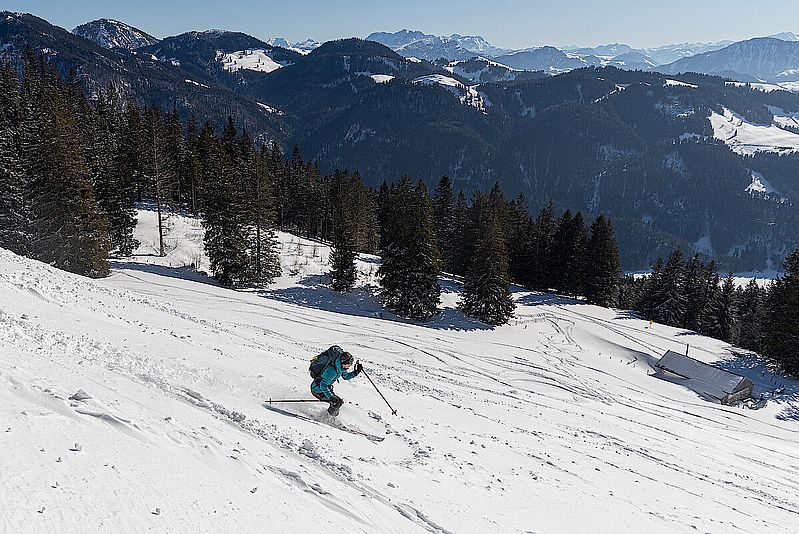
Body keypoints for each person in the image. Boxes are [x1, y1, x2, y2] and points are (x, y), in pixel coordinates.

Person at [309, 345, 363, 416]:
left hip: (325, 389)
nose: (349, 366)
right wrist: (331, 397)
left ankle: (330, 417)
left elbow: (346, 376)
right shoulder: (332, 371)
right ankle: (328, 418)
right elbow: (323, 385)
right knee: (337, 403)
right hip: (317, 390)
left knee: (338, 402)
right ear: (343, 363)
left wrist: (356, 372)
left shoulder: (340, 367)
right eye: (349, 364)